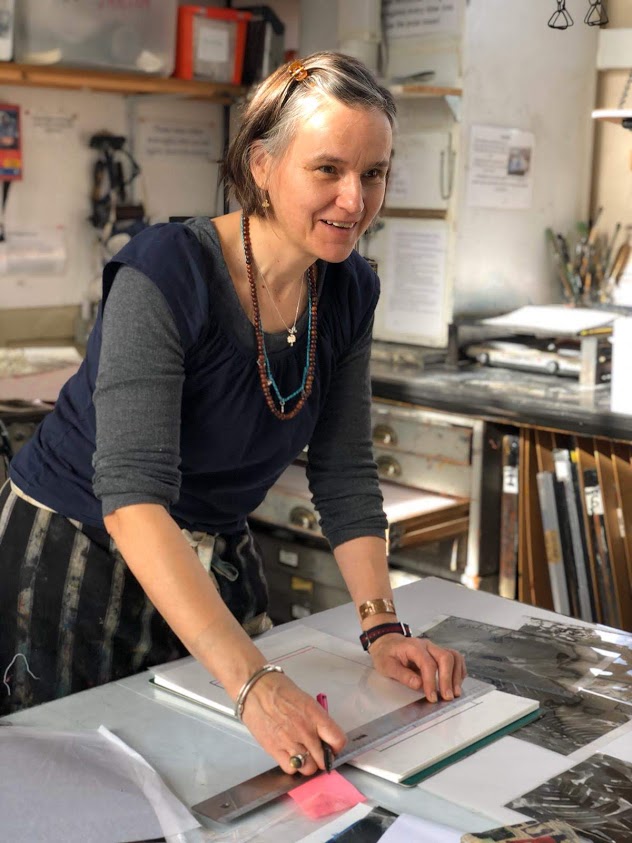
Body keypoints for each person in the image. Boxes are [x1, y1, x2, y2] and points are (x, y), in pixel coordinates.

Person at [0, 52, 466, 776]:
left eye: (374, 173)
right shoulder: (165, 273)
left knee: (227, 778)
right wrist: (253, 684)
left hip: (209, 553)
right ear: (262, 165)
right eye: (328, 169)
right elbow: (132, 500)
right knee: (92, 787)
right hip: (76, 561)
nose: (354, 200)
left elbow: (344, 471)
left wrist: (381, 627)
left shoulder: (348, 289)